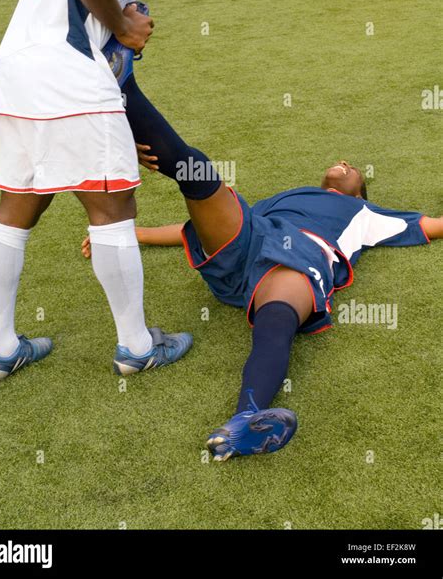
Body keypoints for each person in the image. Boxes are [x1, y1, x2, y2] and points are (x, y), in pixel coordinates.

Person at [83, 72, 442, 461]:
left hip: (299, 260)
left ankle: (244, 420)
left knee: (278, 322)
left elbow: (431, 226)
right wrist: (136, 233)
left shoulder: (367, 213)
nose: (342, 163)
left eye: (351, 166)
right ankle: (122, 85)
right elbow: (214, 221)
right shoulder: (284, 198)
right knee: (196, 171)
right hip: (250, 240)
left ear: (360, 189)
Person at [0, 0, 211, 383]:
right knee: (112, 206)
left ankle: (1, 346)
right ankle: (136, 346)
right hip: (68, 75)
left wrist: (119, 22)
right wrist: (125, 29)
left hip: (19, 70)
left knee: (17, 207)